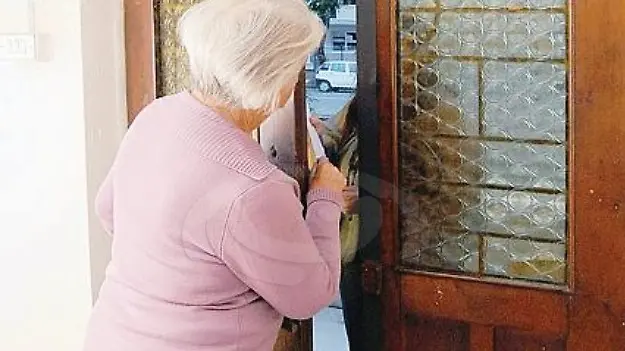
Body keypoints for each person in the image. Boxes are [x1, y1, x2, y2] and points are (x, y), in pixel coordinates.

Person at [83, 1, 347, 350]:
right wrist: (325, 198)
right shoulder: (254, 187)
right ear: (275, 79)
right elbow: (308, 297)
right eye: (298, 68)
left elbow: (108, 209)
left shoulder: (157, 116)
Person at [310, 96, 364, 351]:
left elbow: (429, 189)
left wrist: (368, 197)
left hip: (394, 249)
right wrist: (316, 132)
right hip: (351, 245)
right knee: (358, 328)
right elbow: (334, 133)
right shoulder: (360, 102)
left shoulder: (425, 112)